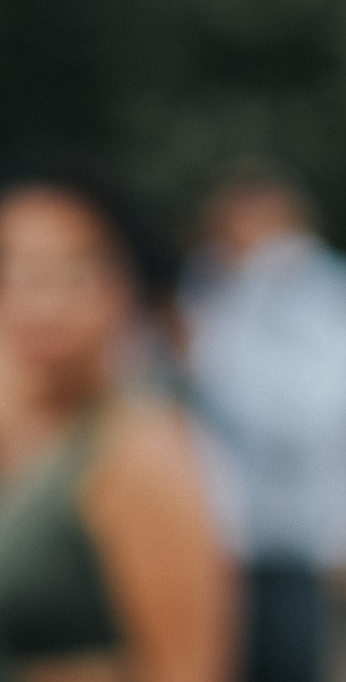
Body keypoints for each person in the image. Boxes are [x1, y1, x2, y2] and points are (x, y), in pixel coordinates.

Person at [0, 171, 238, 682]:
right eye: (14, 269)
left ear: (123, 287)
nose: (39, 301)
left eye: (70, 272)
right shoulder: (26, 431)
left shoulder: (141, 450)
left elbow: (188, 668)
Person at [179, 172, 346, 682]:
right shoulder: (205, 295)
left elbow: (327, 416)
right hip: (219, 548)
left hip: (313, 546)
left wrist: (210, 350)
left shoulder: (343, 297)